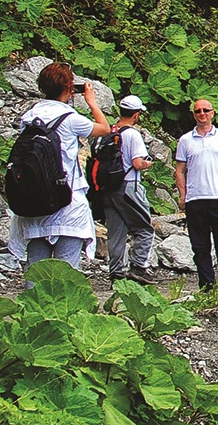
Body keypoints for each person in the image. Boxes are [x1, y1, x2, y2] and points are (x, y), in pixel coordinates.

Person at [9, 63, 115, 275]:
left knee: (36, 270)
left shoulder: (29, 116)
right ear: (69, 88)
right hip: (67, 201)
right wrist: (92, 102)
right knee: (66, 269)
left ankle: (31, 307)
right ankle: (66, 308)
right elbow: (104, 128)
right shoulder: (70, 119)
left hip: (34, 200)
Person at [174, 98, 218, 292]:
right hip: (195, 200)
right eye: (198, 111)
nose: (202, 114)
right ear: (194, 115)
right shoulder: (185, 140)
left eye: (206, 110)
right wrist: (183, 195)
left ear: (213, 113)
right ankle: (207, 288)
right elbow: (179, 170)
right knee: (200, 247)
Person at [98, 94, 158, 282]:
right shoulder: (132, 134)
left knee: (116, 231)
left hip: (108, 189)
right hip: (128, 186)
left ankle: (116, 272)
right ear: (136, 114)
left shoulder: (109, 131)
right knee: (144, 228)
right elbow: (137, 163)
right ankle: (139, 266)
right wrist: (149, 163)